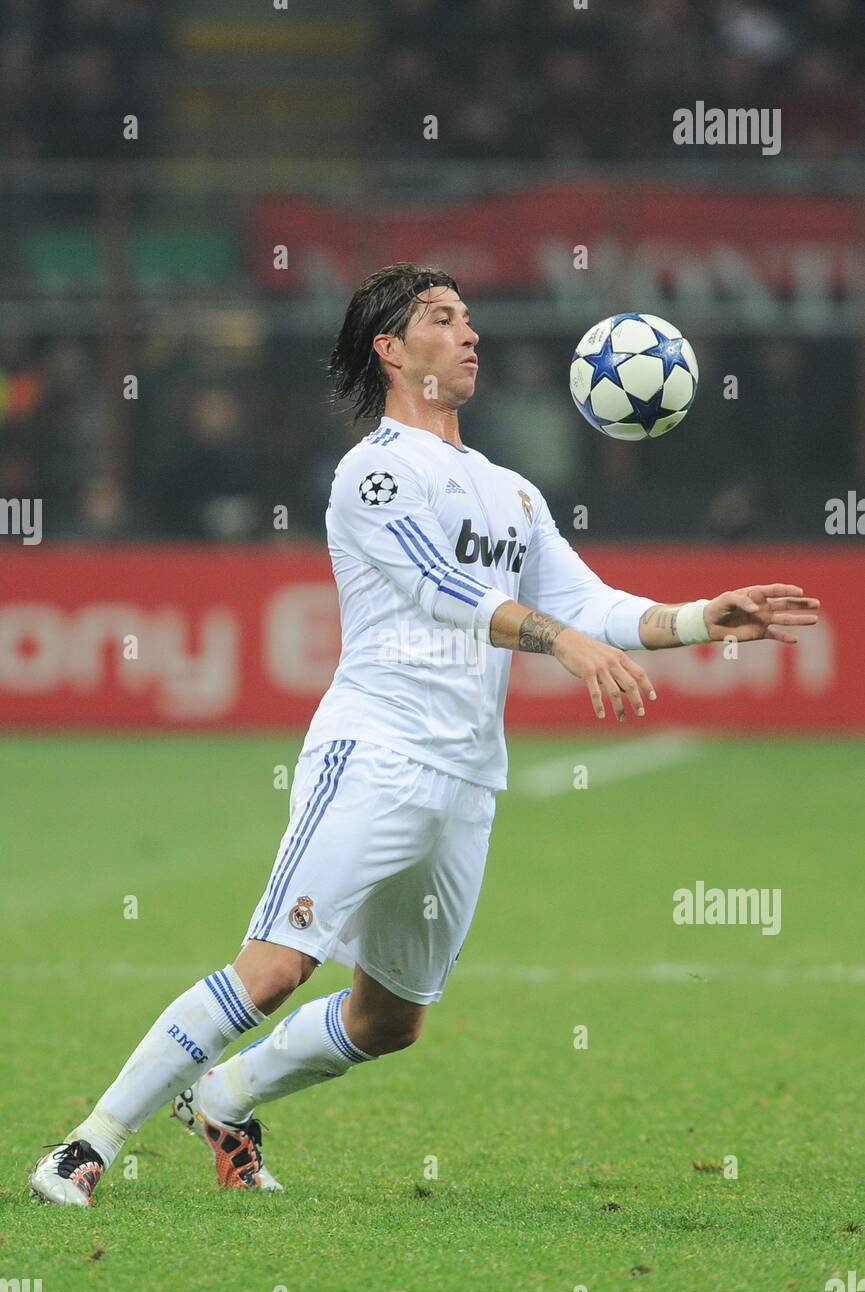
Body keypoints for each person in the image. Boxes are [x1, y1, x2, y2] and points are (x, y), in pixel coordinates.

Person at [29, 263, 820, 1205]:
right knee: (277, 966)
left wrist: (699, 618)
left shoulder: (513, 494)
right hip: (373, 752)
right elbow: (441, 591)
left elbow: (591, 604)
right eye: (443, 319)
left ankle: (227, 1096)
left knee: (388, 1020)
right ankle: (86, 1146)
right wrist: (558, 642)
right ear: (392, 350)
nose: (470, 333)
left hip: (465, 780)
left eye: (470, 317)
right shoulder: (373, 471)